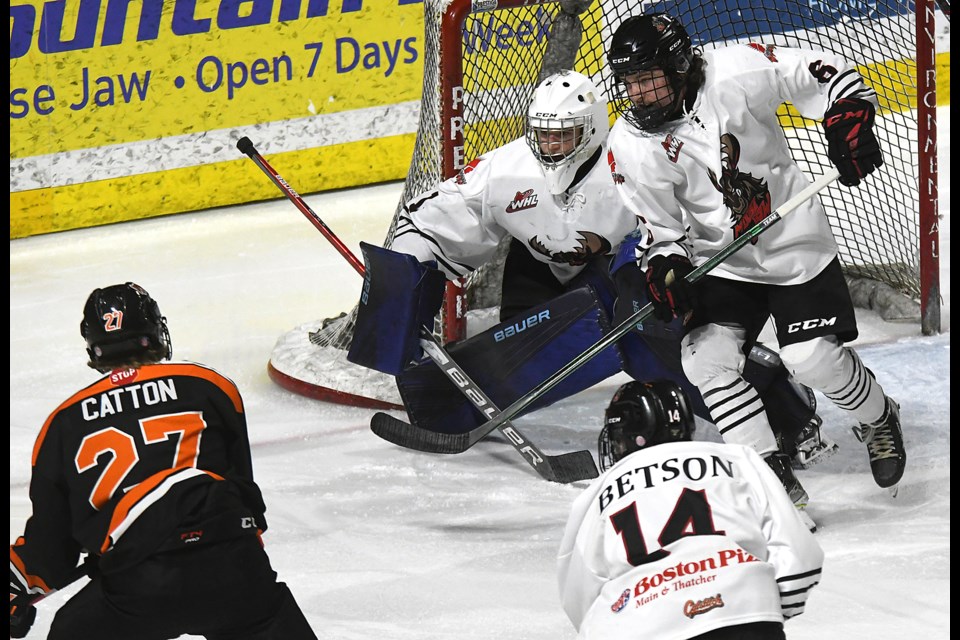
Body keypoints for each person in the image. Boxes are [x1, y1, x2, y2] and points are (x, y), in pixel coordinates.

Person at [380, 68, 831, 485]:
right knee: (524, 354)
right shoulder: (506, 168)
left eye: (564, 136)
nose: (550, 147)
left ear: (592, 129)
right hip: (541, 274)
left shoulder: (631, 156)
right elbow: (430, 217)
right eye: (543, 136)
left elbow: (685, 222)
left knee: (643, 328)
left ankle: (784, 409)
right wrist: (409, 270)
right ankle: (440, 401)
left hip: (625, 267)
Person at [604, 13, 905, 503]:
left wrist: (848, 115)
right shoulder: (630, 143)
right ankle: (769, 476)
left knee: (812, 361)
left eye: (647, 80)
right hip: (721, 259)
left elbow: (823, 72)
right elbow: (659, 229)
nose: (637, 94)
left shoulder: (735, 72)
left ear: (680, 66)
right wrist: (665, 264)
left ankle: (878, 416)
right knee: (705, 361)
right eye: (630, 83)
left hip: (792, 243)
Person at [9, 283, 317, 640]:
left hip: (139, 586)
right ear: (154, 331)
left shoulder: (62, 423)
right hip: (233, 569)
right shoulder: (209, 385)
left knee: (71, 631)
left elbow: (51, 548)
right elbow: (242, 493)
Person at [557, 380, 824, 639]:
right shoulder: (739, 460)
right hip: (747, 618)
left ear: (634, 436)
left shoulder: (598, 493)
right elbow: (801, 557)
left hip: (641, 625)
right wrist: (754, 612)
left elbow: (580, 598)